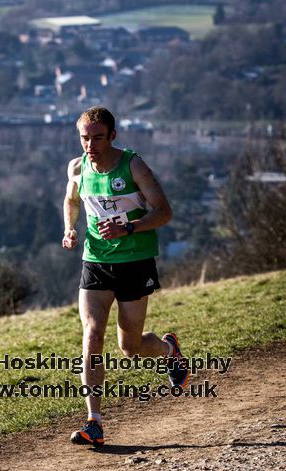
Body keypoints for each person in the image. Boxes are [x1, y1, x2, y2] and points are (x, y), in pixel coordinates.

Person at [62, 106, 188, 447]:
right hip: (96, 261)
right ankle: (94, 423)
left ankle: (167, 351)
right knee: (92, 335)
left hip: (135, 261)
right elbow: (71, 199)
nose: (90, 145)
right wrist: (69, 229)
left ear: (112, 136)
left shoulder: (133, 165)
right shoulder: (77, 167)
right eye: (85, 138)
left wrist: (129, 226)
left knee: (130, 347)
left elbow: (164, 212)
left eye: (98, 138)